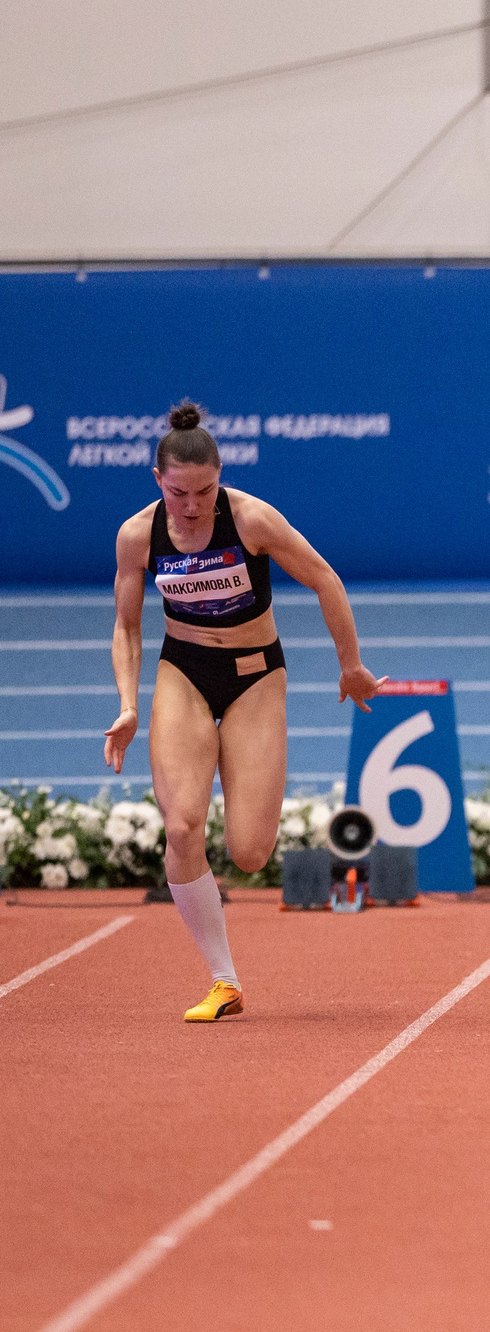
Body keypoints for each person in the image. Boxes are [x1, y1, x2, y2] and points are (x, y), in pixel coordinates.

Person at [104, 401, 380, 1021]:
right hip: (184, 672)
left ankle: (241, 776)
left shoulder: (252, 519)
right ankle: (223, 980)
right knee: (181, 827)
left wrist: (351, 663)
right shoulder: (136, 536)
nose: (193, 505)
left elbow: (325, 579)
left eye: (205, 491)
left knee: (251, 852)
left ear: (221, 478)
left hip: (255, 675)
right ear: (158, 482)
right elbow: (126, 626)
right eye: (179, 494)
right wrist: (127, 703)